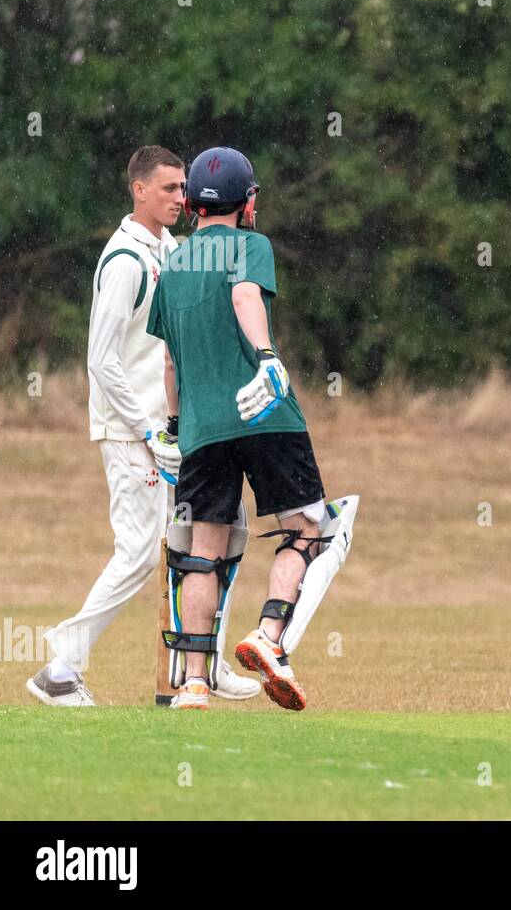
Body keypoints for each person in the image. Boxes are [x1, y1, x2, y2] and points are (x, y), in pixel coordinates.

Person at [27, 145, 260, 707]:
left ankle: (201, 661)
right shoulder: (127, 260)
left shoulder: (169, 249)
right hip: (132, 433)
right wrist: (147, 429)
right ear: (138, 189)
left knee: (213, 537)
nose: (182, 199)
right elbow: (100, 360)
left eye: (184, 189)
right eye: (169, 189)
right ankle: (60, 669)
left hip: (171, 430)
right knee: (137, 552)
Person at [148, 146, 339, 711]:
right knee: (307, 528)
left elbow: (171, 364)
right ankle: (268, 634)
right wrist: (267, 356)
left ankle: (195, 683)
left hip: (202, 429)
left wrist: (176, 426)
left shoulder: (173, 264)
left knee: (203, 554)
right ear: (248, 200)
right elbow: (243, 293)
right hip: (266, 414)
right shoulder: (252, 245)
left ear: (189, 204)